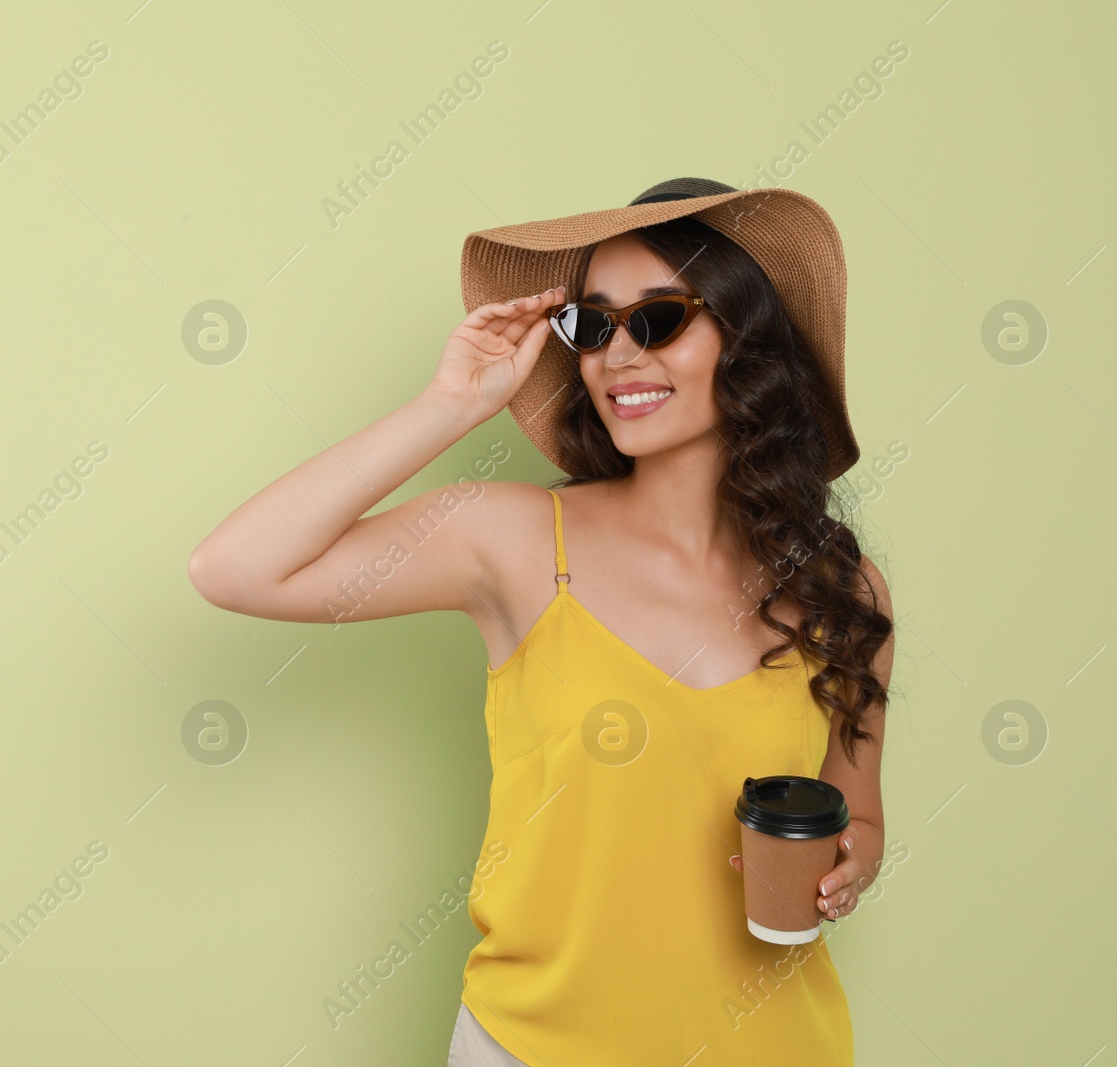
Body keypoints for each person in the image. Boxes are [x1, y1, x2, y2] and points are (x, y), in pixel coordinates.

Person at [188, 178, 894, 1066]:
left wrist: (852, 862)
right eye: (592, 326)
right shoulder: (514, 540)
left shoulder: (843, 589)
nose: (616, 355)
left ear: (745, 338)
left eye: (660, 318)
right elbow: (235, 567)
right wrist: (449, 405)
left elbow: (855, 812)